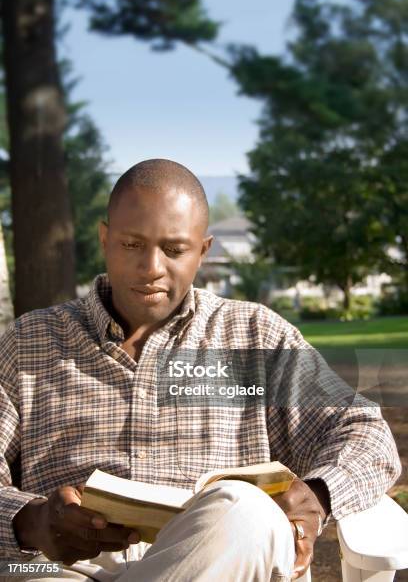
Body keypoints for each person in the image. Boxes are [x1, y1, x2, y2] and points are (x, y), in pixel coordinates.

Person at [0, 159, 401, 582]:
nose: (151, 267)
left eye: (173, 250)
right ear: (105, 238)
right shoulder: (31, 341)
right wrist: (32, 520)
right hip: (64, 569)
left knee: (244, 509)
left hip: (225, 556)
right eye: (132, 244)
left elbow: (366, 434)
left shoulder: (255, 336)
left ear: (203, 251)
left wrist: (317, 496)